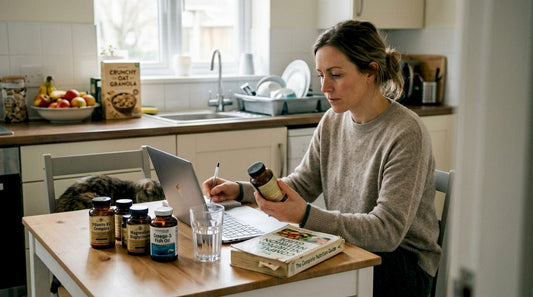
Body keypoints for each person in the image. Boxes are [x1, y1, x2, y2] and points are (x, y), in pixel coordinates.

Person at [202, 20, 440, 297]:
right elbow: (303, 183)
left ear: (370, 72)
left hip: (403, 265)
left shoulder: (406, 132)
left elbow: (386, 232)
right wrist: (241, 189)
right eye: (321, 75)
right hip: (352, 246)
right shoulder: (333, 120)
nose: (325, 86)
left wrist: (305, 215)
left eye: (336, 74)